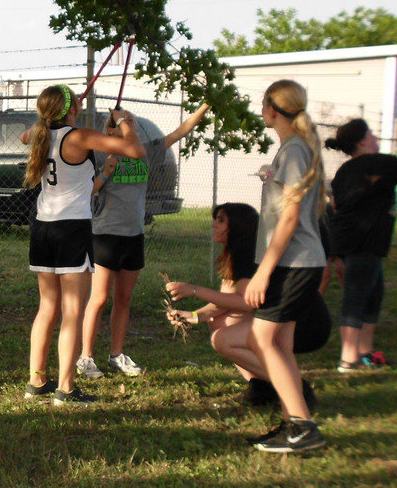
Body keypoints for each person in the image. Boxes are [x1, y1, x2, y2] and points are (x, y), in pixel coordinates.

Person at [20, 85, 144, 405]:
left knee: (48, 308)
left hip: (43, 228)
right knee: (72, 312)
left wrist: (61, 114)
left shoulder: (41, 134)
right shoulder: (79, 137)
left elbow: (26, 134)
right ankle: (65, 388)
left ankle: (36, 381)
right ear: (72, 108)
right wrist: (123, 120)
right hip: (71, 230)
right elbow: (135, 150)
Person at [78, 102, 211, 380]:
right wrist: (105, 173)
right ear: (112, 128)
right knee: (100, 298)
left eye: (131, 121)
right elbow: (88, 189)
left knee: (124, 298)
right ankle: (85, 357)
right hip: (105, 233)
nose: (130, 124)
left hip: (134, 234)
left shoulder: (145, 150)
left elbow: (180, 131)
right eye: (125, 121)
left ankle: (117, 355)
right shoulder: (101, 152)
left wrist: (205, 106)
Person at [163, 203, 323, 410]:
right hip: (285, 318)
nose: (213, 225)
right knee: (220, 322)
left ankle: (295, 389)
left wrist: (194, 290)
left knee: (222, 340)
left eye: (221, 220)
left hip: (306, 325)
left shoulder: (246, 252)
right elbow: (226, 300)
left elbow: (246, 302)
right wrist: (194, 315)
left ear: (238, 226)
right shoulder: (238, 250)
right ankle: (261, 388)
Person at [240, 80, 328, 453]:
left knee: (260, 339)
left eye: (263, 105)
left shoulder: (293, 150)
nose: (262, 111)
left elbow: (289, 221)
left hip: (293, 264)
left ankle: (303, 427)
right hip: (297, 263)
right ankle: (296, 422)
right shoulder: (293, 150)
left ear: (273, 110)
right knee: (280, 343)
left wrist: (263, 271)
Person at [324, 118, 397, 372]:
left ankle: (366, 353)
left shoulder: (345, 171)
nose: (377, 139)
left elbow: (336, 207)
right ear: (363, 140)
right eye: (373, 135)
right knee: (356, 298)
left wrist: (336, 252)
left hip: (352, 241)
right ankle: (347, 359)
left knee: (373, 296)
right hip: (361, 241)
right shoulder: (383, 164)